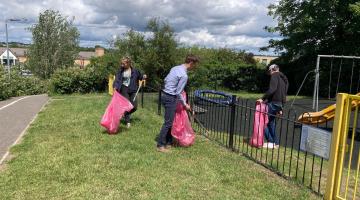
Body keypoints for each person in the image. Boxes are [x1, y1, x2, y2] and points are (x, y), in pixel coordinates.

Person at [156, 54, 199, 153]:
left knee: (170, 121)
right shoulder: (184, 75)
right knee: (168, 123)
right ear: (191, 63)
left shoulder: (175, 68)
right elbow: (178, 92)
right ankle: (160, 145)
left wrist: (169, 87)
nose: (195, 67)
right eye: (195, 65)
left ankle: (168, 142)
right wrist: (185, 104)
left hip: (164, 95)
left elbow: (166, 79)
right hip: (171, 98)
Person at [257, 64, 288, 149]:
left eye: (269, 71)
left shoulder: (274, 76)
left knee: (262, 122)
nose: (269, 73)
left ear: (272, 70)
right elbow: (284, 93)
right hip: (280, 103)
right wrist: (281, 107)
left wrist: (263, 99)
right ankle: (276, 143)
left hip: (273, 103)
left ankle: (271, 142)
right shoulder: (284, 78)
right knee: (271, 123)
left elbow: (272, 89)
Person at [113, 56, 146, 128]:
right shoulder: (120, 71)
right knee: (127, 106)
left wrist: (143, 76)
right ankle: (128, 122)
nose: (122, 65)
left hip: (133, 89)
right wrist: (115, 86)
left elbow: (140, 77)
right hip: (124, 89)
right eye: (121, 64)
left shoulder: (135, 71)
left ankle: (125, 114)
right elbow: (117, 80)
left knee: (134, 107)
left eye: (123, 64)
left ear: (128, 64)